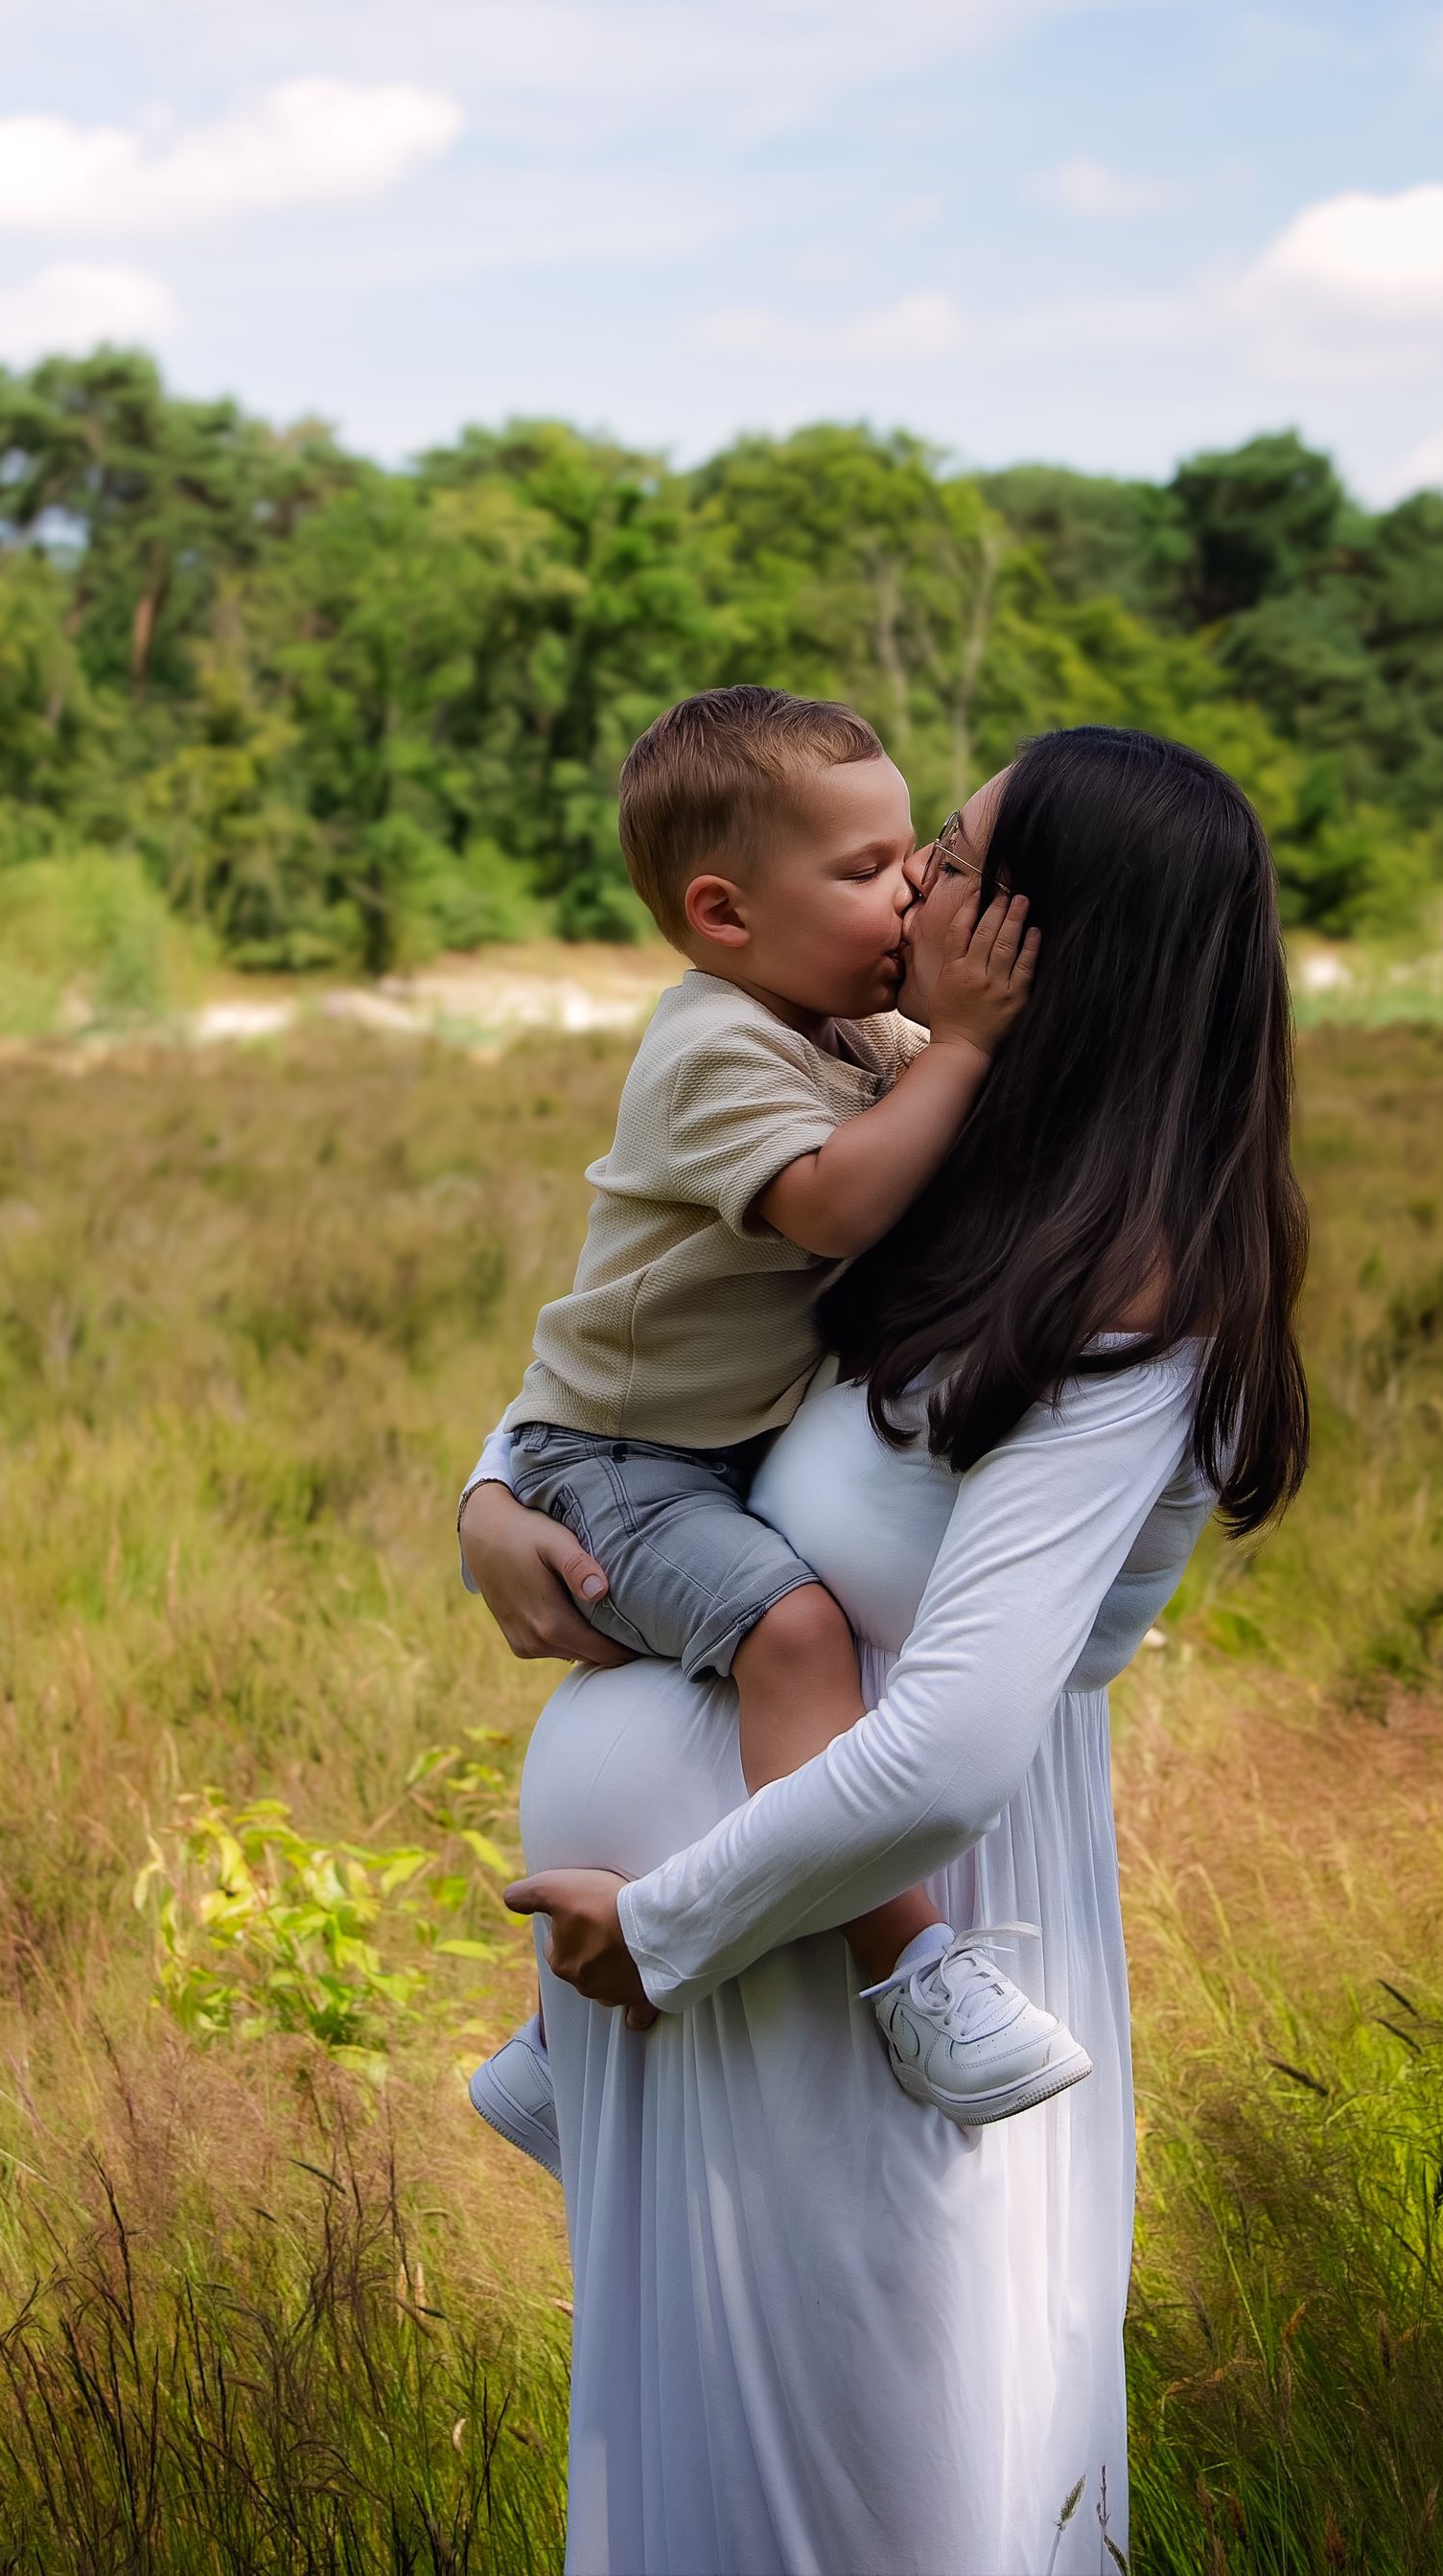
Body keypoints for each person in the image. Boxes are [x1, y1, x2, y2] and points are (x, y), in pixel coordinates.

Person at [463, 727, 1310, 2575]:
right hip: (697, 1994)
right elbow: (658, 1344)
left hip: (843, 1986)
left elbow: (939, 1757)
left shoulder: (1127, 1302)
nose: (915, 879)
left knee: (875, 2502)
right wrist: (490, 1492)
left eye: (955, 853)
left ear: (1051, 937)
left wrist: (666, 1921)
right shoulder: (936, 1146)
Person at [466, 684, 1089, 2172]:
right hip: (622, 1464)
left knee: (766, 1641)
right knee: (795, 1637)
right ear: (725, 915)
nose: (913, 893)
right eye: (868, 870)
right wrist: (967, 1043)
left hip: (698, 1449)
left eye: (916, 857)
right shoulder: (717, 1044)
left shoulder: (859, 1028)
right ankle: (912, 1972)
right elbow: (830, 1199)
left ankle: (552, 2060)